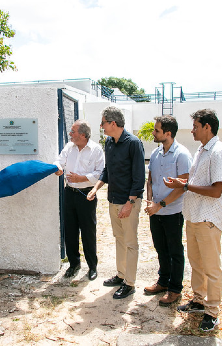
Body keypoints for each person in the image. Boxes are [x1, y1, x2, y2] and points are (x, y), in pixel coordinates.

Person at [163, 109, 222, 332]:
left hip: (208, 217)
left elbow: (216, 190)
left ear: (207, 127)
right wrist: (181, 182)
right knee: (197, 263)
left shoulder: (218, 152)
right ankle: (199, 300)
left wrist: (184, 186)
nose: (192, 130)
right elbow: (195, 180)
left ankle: (212, 311)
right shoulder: (203, 150)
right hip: (194, 216)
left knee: (211, 267)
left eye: (195, 126)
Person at [87, 106, 145, 299]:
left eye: (103, 122)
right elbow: (107, 172)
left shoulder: (133, 143)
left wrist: (130, 203)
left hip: (128, 202)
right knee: (119, 240)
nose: (101, 126)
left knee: (130, 243)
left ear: (113, 123)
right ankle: (121, 275)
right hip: (113, 201)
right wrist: (95, 188)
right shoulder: (109, 143)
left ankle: (130, 283)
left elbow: (138, 178)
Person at [144, 116, 192, 307]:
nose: (154, 133)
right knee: (160, 248)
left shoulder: (182, 154)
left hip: (173, 211)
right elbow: (150, 180)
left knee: (175, 251)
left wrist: (160, 204)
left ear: (168, 133)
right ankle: (163, 282)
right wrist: (150, 201)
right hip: (155, 211)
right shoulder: (156, 154)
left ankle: (175, 289)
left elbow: (183, 186)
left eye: (157, 130)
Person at [54, 120, 105, 281]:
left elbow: (101, 173)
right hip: (69, 193)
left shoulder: (96, 150)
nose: (70, 134)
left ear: (82, 134)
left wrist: (81, 178)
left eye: (73, 131)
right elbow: (59, 160)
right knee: (70, 230)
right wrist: (59, 168)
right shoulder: (69, 147)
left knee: (88, 231)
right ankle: (74, 264)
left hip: (87, 195)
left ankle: (92, 266)